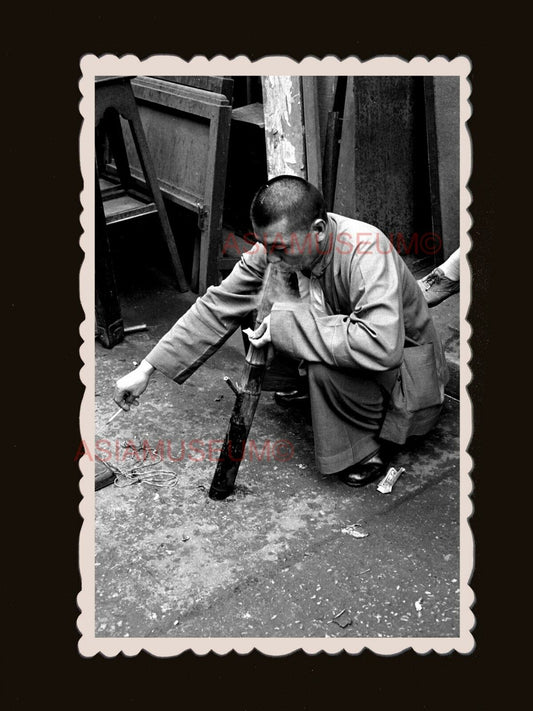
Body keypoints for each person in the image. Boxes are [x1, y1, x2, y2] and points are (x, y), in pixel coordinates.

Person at [114, 176, 448, 487]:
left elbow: (382, 344)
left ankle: (363, 449)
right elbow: (218, 305)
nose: (270, 257)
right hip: (352, 345)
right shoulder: (279, 245)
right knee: (262, 307)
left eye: (280, 248)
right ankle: (309, 389)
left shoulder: (365, 250)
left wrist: (287, 327)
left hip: (407, 376)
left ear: (318, 229)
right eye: (264, 244)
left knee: (309, 350)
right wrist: (146, 369)